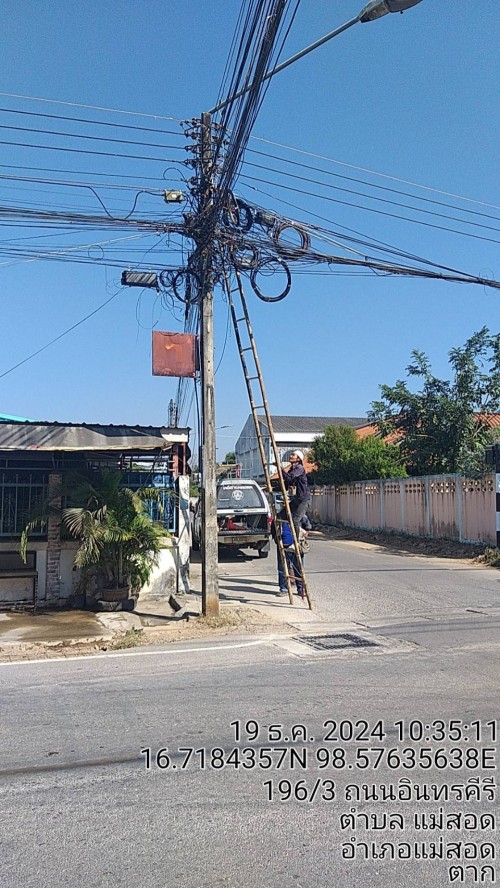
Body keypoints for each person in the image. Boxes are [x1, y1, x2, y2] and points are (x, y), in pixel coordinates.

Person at [272, 509, 311, 598]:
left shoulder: (300, 515)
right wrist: (277, 540)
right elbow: (273, 529)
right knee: (282, 569)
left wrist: (302, 536)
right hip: (283, 546)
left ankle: (300, 589)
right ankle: (284, 589)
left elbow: (307, 527)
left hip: (296, 546)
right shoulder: (279, 516)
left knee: (299, 568)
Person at [281, 450, 311, 532]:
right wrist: (272, 489)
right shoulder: (291, 470)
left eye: (293, 455)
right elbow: (286, 485)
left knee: (295, 521)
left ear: (298, 459)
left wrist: (280, 470)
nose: (290, 456)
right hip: (296, 499)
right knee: (280, 516)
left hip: (303, 500)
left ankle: (296, 541)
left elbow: (290, 477)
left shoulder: (299, 468)